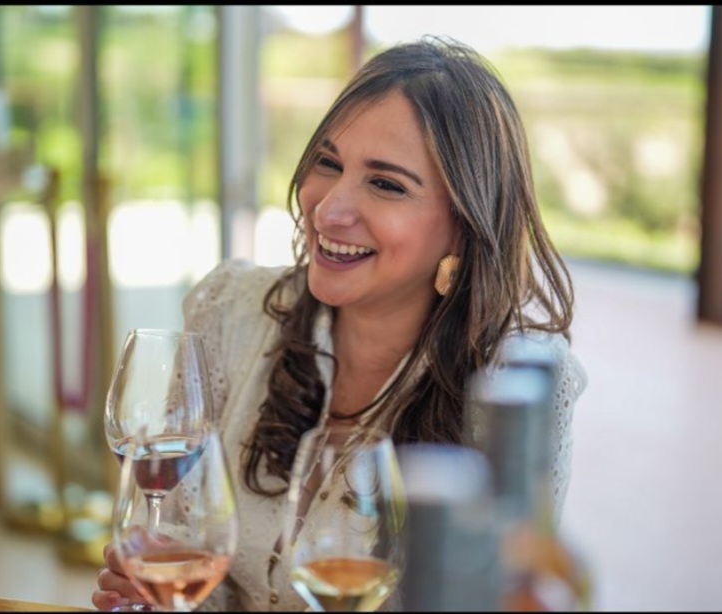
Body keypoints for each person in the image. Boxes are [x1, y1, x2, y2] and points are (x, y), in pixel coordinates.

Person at [93, 34, 588, 612]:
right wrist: (162, 593)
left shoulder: (517, 388)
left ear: (465, 223)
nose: (328, 210)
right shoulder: (229, 310)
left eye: (386, 184)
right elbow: (190, 552)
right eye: (328, 163)